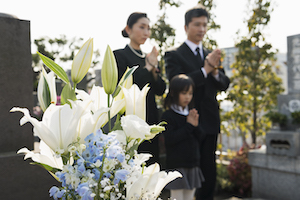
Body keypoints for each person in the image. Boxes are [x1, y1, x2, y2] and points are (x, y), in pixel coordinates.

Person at [164, 4, 230, 200]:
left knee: (209, 171)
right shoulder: (174, 54)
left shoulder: (211, 54)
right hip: (184, 122)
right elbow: (176, 83)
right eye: (197, 24)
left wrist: (215, 71)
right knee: (185, 173)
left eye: (204, 25)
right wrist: (205, 70)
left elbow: (225, 84)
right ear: (186, 27)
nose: (202, 29)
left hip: (209, 121)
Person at [113, 12, 166, 165]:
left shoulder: (150, 57)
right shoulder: (119, 55)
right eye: (141, 27)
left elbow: (160, 89)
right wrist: (148, 67)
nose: (146, 32)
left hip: (150, 117)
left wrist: (154, 67)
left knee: (150, 163)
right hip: (129, 118)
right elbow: (125, 85)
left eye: (148, 28)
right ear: (128, 29)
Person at [161, 74, 204, 200]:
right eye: (184, 93)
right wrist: (190, 126)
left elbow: (200, 138)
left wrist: (194, 125)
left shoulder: (191, 113)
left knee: (189, 198)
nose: (188, 97)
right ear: (174, 93)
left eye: (190, 93)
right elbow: (170, 139)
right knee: (177, 198)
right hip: (177, 165)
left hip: (193, 164)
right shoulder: (168, 115)